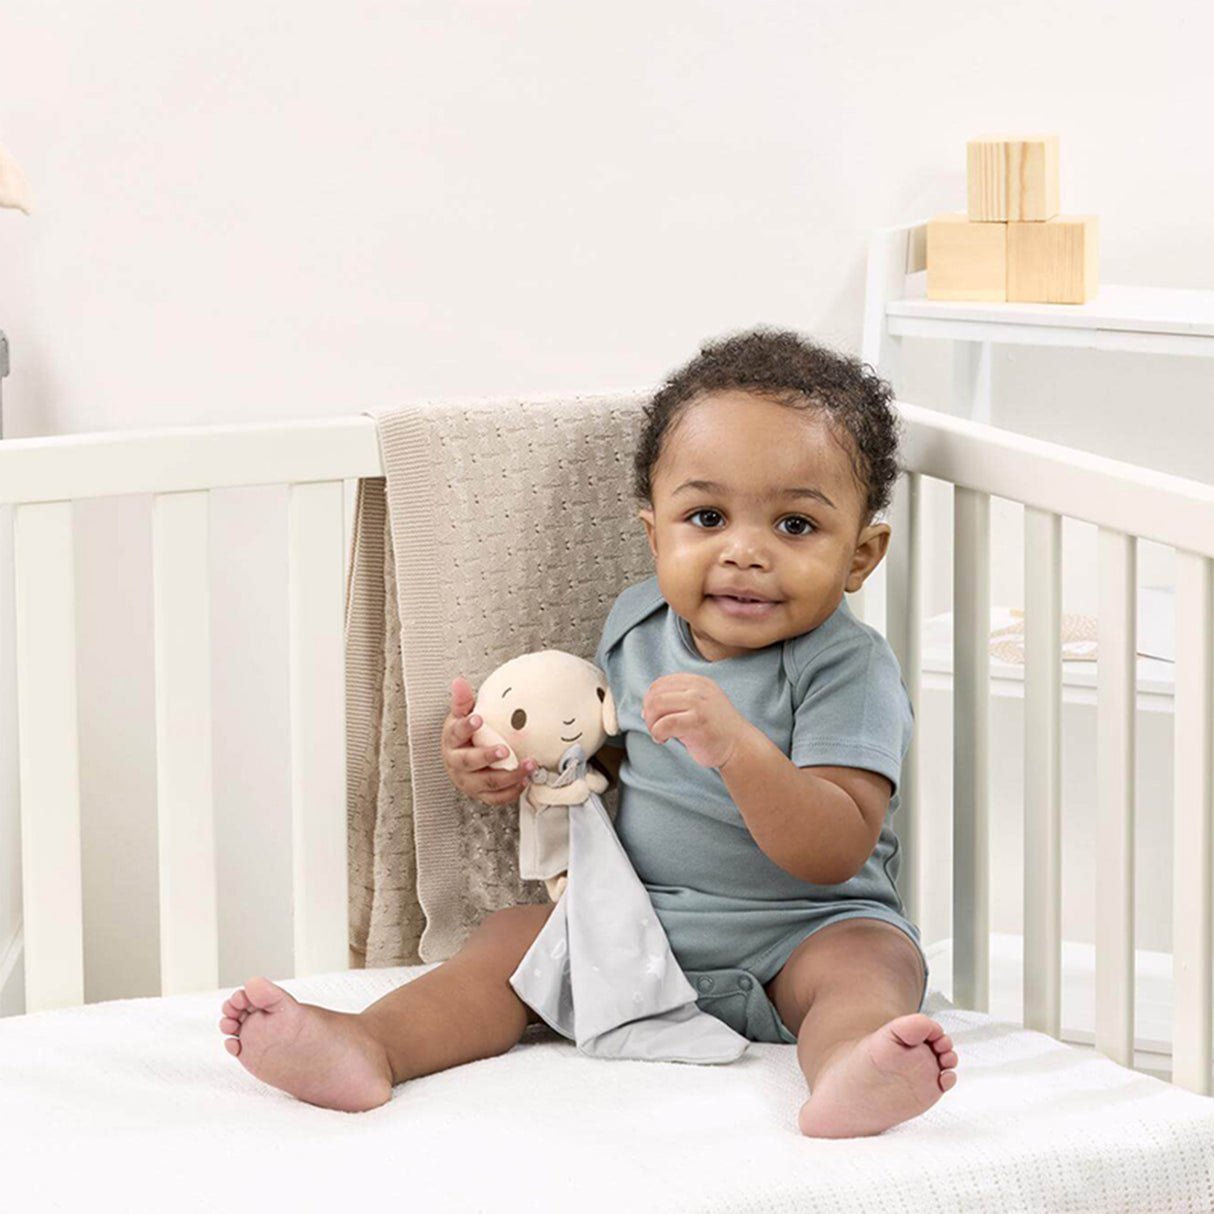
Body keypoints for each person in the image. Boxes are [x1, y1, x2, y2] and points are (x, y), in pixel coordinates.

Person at [217, 326, 958, 1137]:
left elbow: (836, 848)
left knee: (873, 965)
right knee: (506, 940)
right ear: (655, 535)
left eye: (794, 527)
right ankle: (369, 1043)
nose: (744, 552)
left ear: (862, 555)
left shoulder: (847, 668)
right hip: (637, 922)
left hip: (805, 930)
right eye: (707, 516)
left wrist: (740, 749)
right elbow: (613, 761)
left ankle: (854, 1065)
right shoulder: (637, 625)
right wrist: (516, 770)